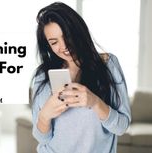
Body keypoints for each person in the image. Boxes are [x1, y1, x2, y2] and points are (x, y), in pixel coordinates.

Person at [31, 2, 131, 153]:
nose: (63, 46)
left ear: (78, 31)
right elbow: (43, 138)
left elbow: (121, 127)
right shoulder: (41, 76)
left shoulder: (108, 65)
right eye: (54, 42)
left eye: (67, 36)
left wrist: (95, 102)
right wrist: (45, 115)